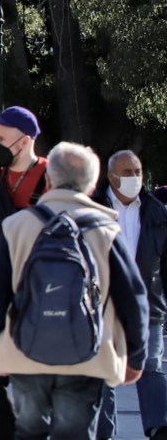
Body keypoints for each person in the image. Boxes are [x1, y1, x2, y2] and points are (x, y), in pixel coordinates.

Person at [0, 142, 149, 439]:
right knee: (74, 433)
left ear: (48, 180)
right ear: (93, 182)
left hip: (24, 351)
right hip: (87, 354)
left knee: (28, 431)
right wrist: (136, 356)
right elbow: (132, 296)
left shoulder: (16, 226)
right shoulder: (107, 230)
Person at [0, 105, 48, 440]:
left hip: (37, 287)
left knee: (32, 373)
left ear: (25, 139)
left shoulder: (48, 174)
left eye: (1, 135)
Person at [95, 150, 167, 440]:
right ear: (111, 176)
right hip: (104, 306)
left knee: (151, 368)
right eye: (127, 173)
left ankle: (160, 429)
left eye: (137, 172)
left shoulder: (156, 211)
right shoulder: (92, 208)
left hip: (147, 304)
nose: (135, 178)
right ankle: (103, 434)